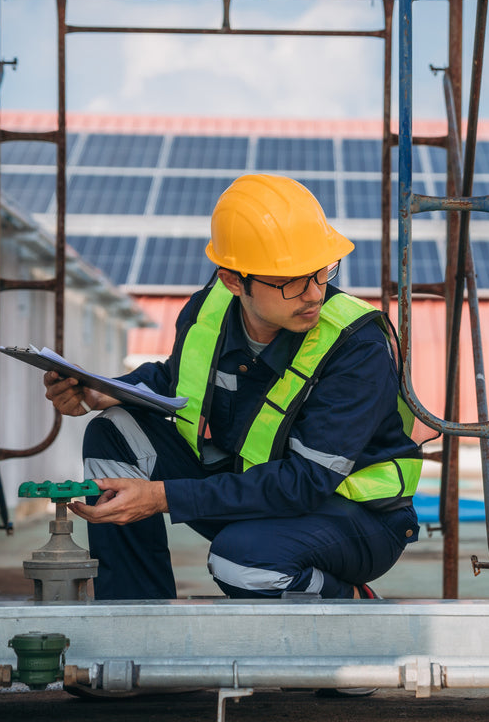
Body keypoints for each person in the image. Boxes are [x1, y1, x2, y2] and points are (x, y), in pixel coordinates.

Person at [43, 173, 422, 601]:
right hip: (260, 491)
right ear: (233, 281)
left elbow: (305, 481)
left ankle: (350, 602)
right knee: (113, 430)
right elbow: (179, 377)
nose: (314, 293)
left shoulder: (357, 345)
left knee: (241, 563)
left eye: (322, 272)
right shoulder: (210, 310)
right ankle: (136, 613)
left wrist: (163, 496)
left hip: (354, 518)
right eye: (291, 280)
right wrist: (103, 390)